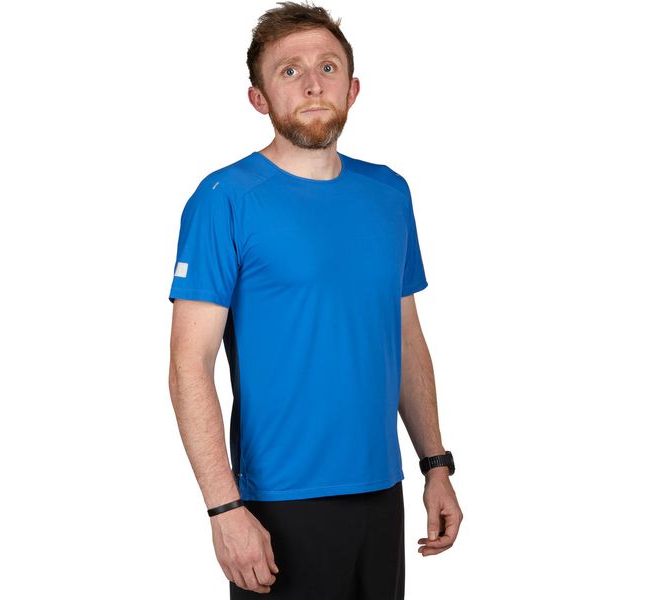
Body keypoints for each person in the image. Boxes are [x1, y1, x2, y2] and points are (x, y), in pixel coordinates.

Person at [167, 2, 462, 597]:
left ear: (352, 89)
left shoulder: (389, 193)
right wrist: (224, 510)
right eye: (289, 70)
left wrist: (435, 464)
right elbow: (188, 366)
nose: (311, 83)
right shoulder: (223, 198)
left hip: (383, 493)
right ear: (259, 98)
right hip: (278, 504)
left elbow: (405, 337)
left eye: (327, 67)